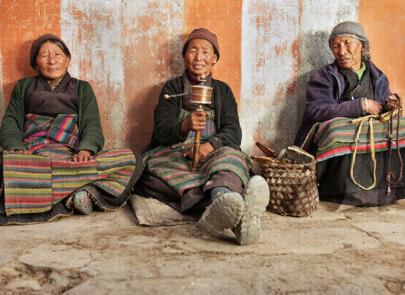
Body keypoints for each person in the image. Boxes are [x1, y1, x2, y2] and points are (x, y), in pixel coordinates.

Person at [138, 28, 269, 245]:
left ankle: (222, 202)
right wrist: (184, 126)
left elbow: (233, 131)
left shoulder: (223, 91)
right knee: (152, 176)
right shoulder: (172, 88)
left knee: (231, 161)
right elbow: (161, 130)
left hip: (214, 153)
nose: (199, 58)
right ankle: (232, 209)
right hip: (176, 152)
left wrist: (210, 146)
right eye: (193, 51)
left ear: (215, 58)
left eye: (206, 52)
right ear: (184, 56)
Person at [0, 34, 142, 225]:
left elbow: (92, 125)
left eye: (58, 54)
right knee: (6, 162)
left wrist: (85, 149)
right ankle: (80, 191)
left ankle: (61, 190)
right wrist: (16, 148)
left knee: (129, 158)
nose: (52, 60)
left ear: (67, 60)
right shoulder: (24, 86)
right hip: (34, 156)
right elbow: (11, 121)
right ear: (34, 64)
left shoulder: (82, 88)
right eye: (44, 56)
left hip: (70, 157)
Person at [295, 21, 404, 206]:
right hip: (342, 135)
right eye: (336, 46)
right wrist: (361, 106)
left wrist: (391, 105)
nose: (342, 51)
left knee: (401, 125)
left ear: (362, 46)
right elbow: (316, 111)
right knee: (336, 130)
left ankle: (392, 186)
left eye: (347, 43)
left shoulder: (378, 77)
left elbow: (383, 105)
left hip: (370, 133)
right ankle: (339, 191)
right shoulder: (323, 77)